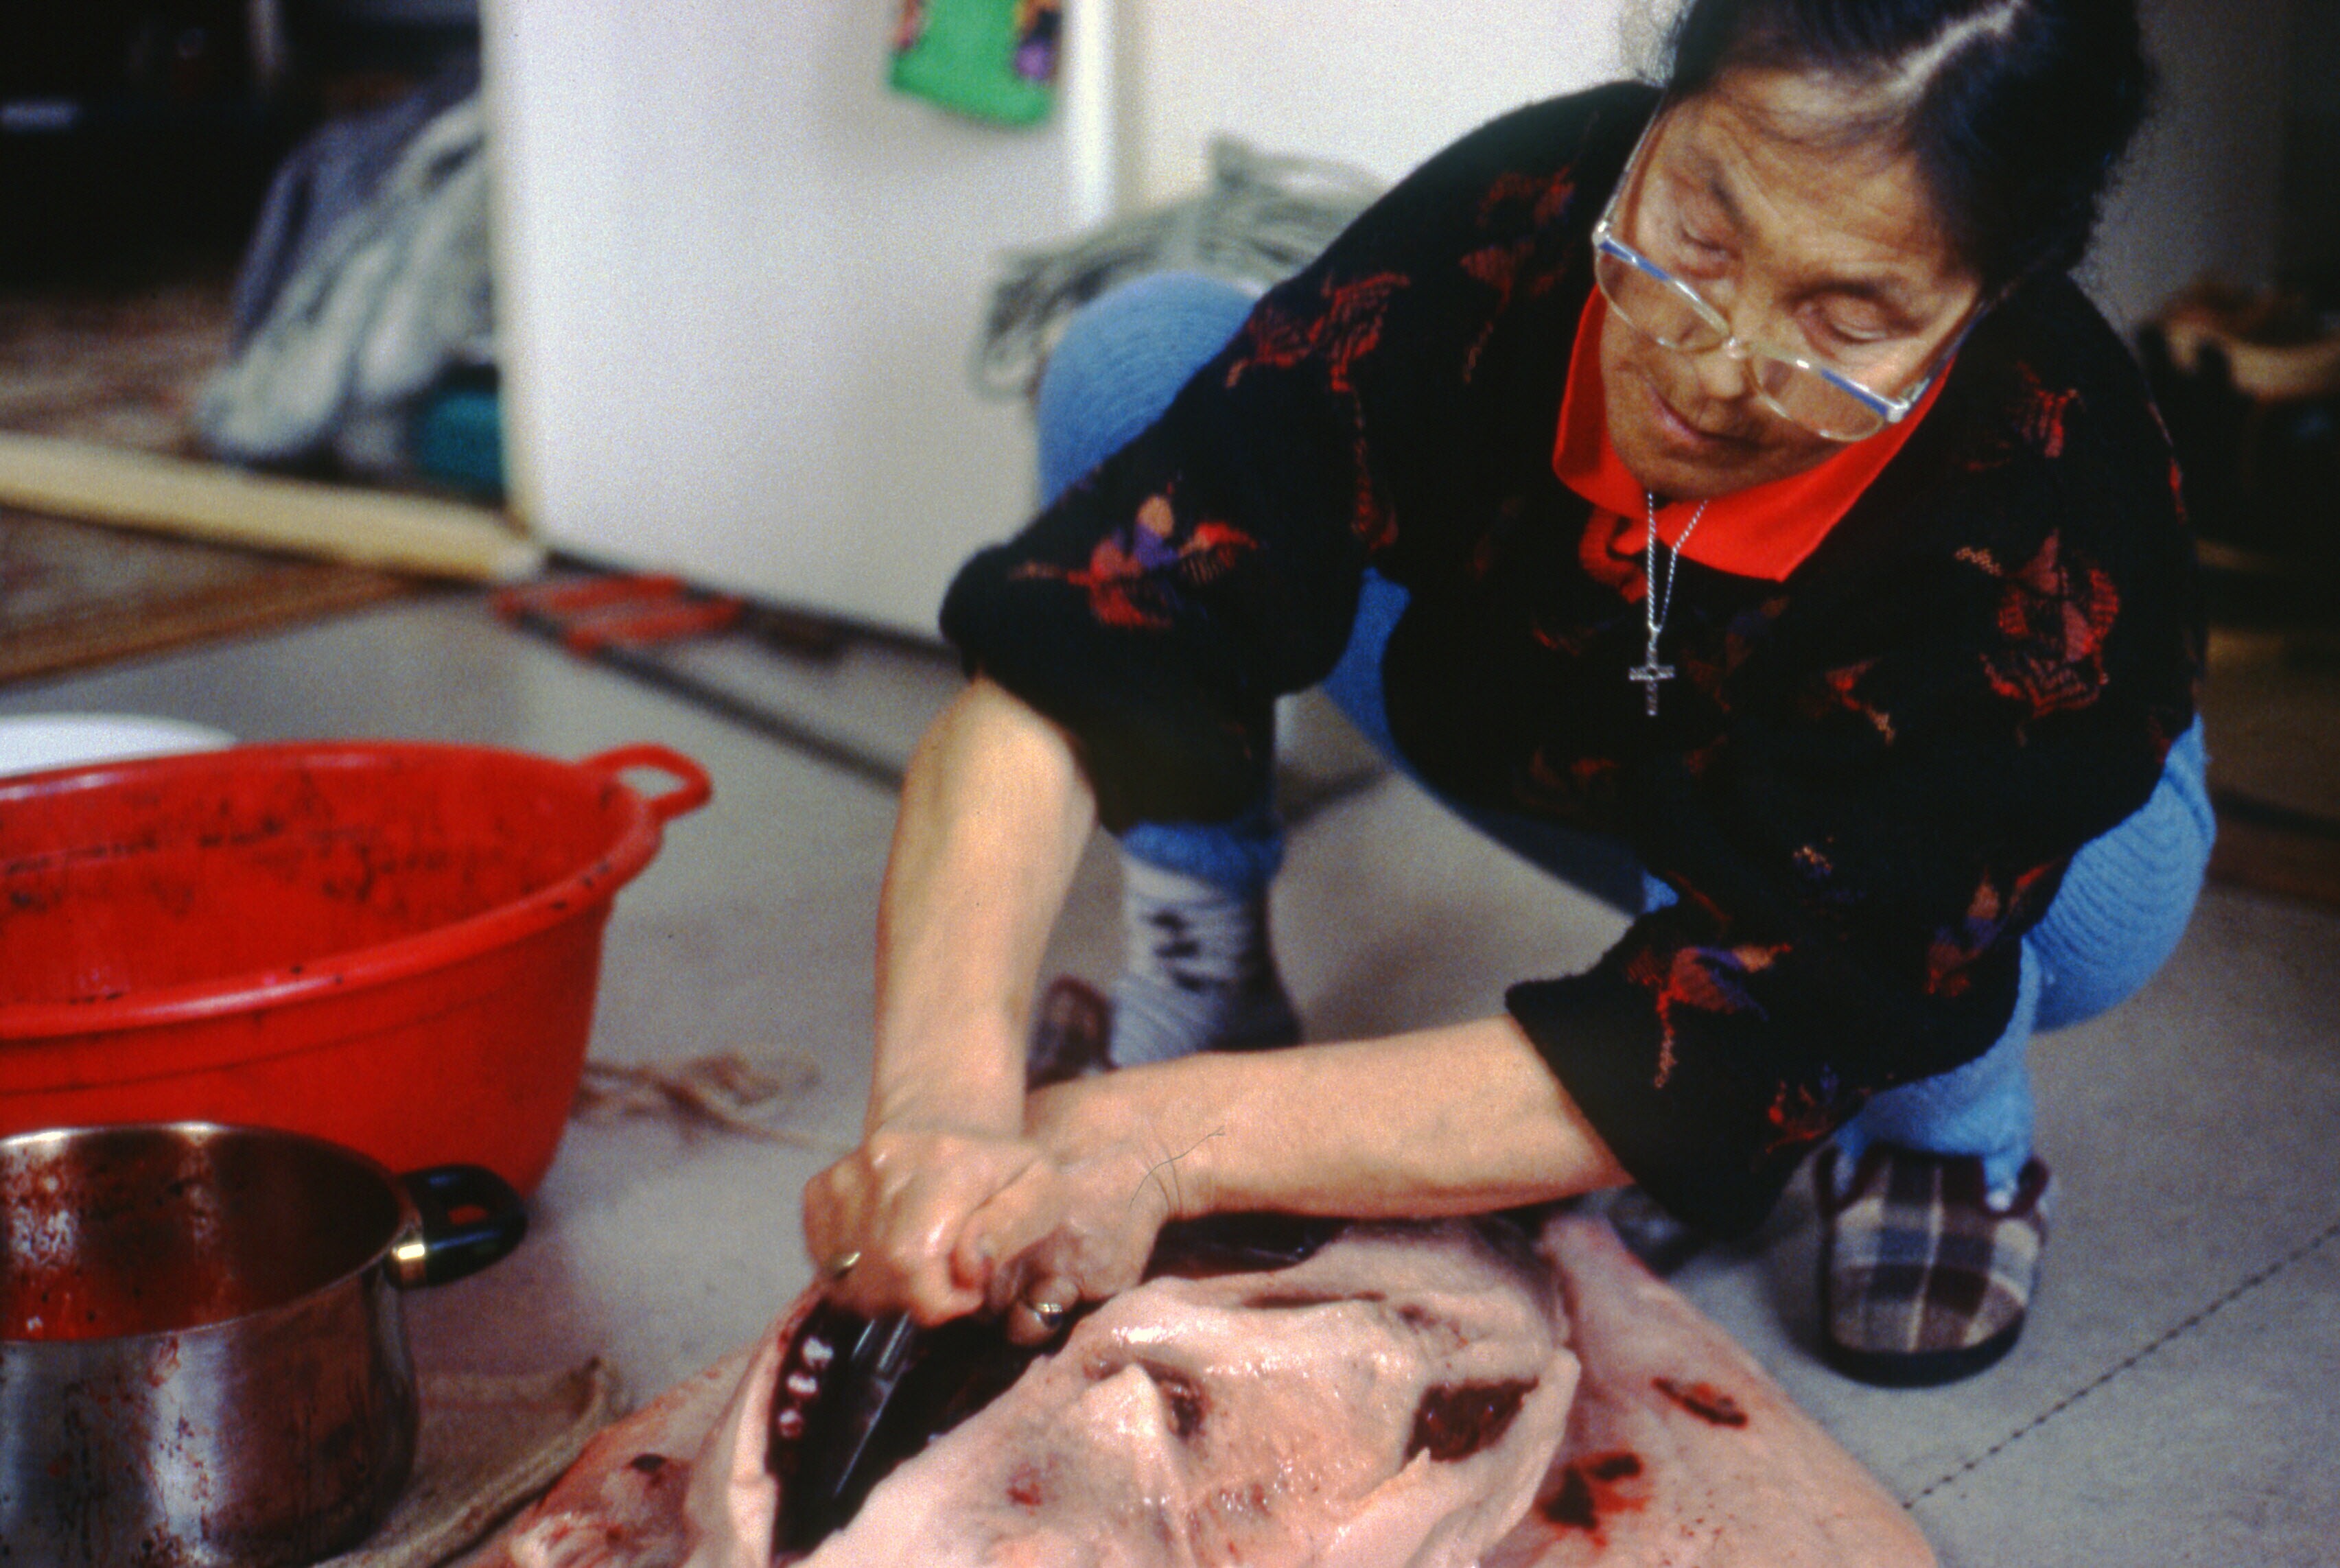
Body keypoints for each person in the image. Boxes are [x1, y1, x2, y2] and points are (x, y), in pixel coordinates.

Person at [805, 0, 2212, 1389]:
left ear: (1989, 297)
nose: (1713, 366)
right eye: (1699, 236)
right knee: (1144, 371)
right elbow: (1082, 636)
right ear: (1664, 111)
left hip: (1880, 825)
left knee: (2029, 893)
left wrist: (1167, 1144)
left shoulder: (2048, 494)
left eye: (1845, 323)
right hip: (1554, 688)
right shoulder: (1527, 207)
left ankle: (1939, 1132)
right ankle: (1202, 970)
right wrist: (940, 1105)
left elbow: (1757, 1015)